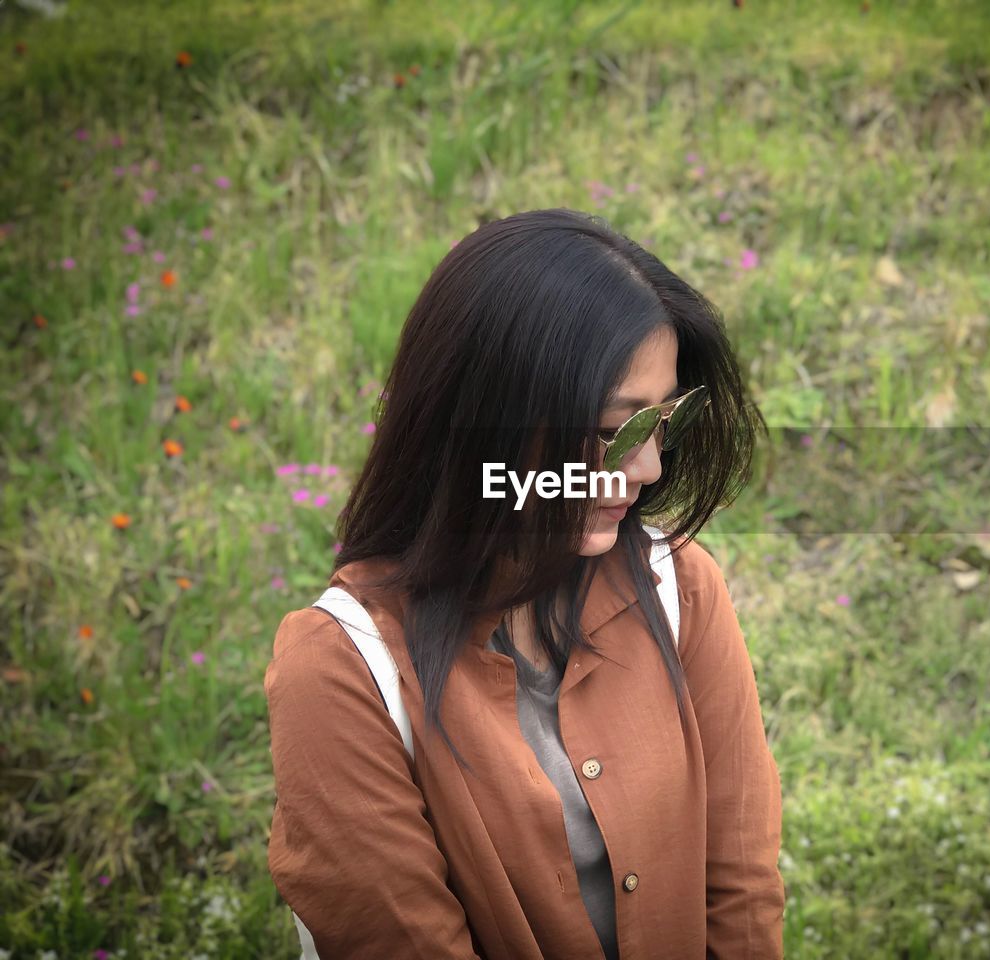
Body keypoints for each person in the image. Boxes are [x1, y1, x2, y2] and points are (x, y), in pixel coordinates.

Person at [263, 208, 785, 959]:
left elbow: (741, 894)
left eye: (665, 422)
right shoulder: (339, 673)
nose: (649, 470)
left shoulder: (683, 590)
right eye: (616, 428)